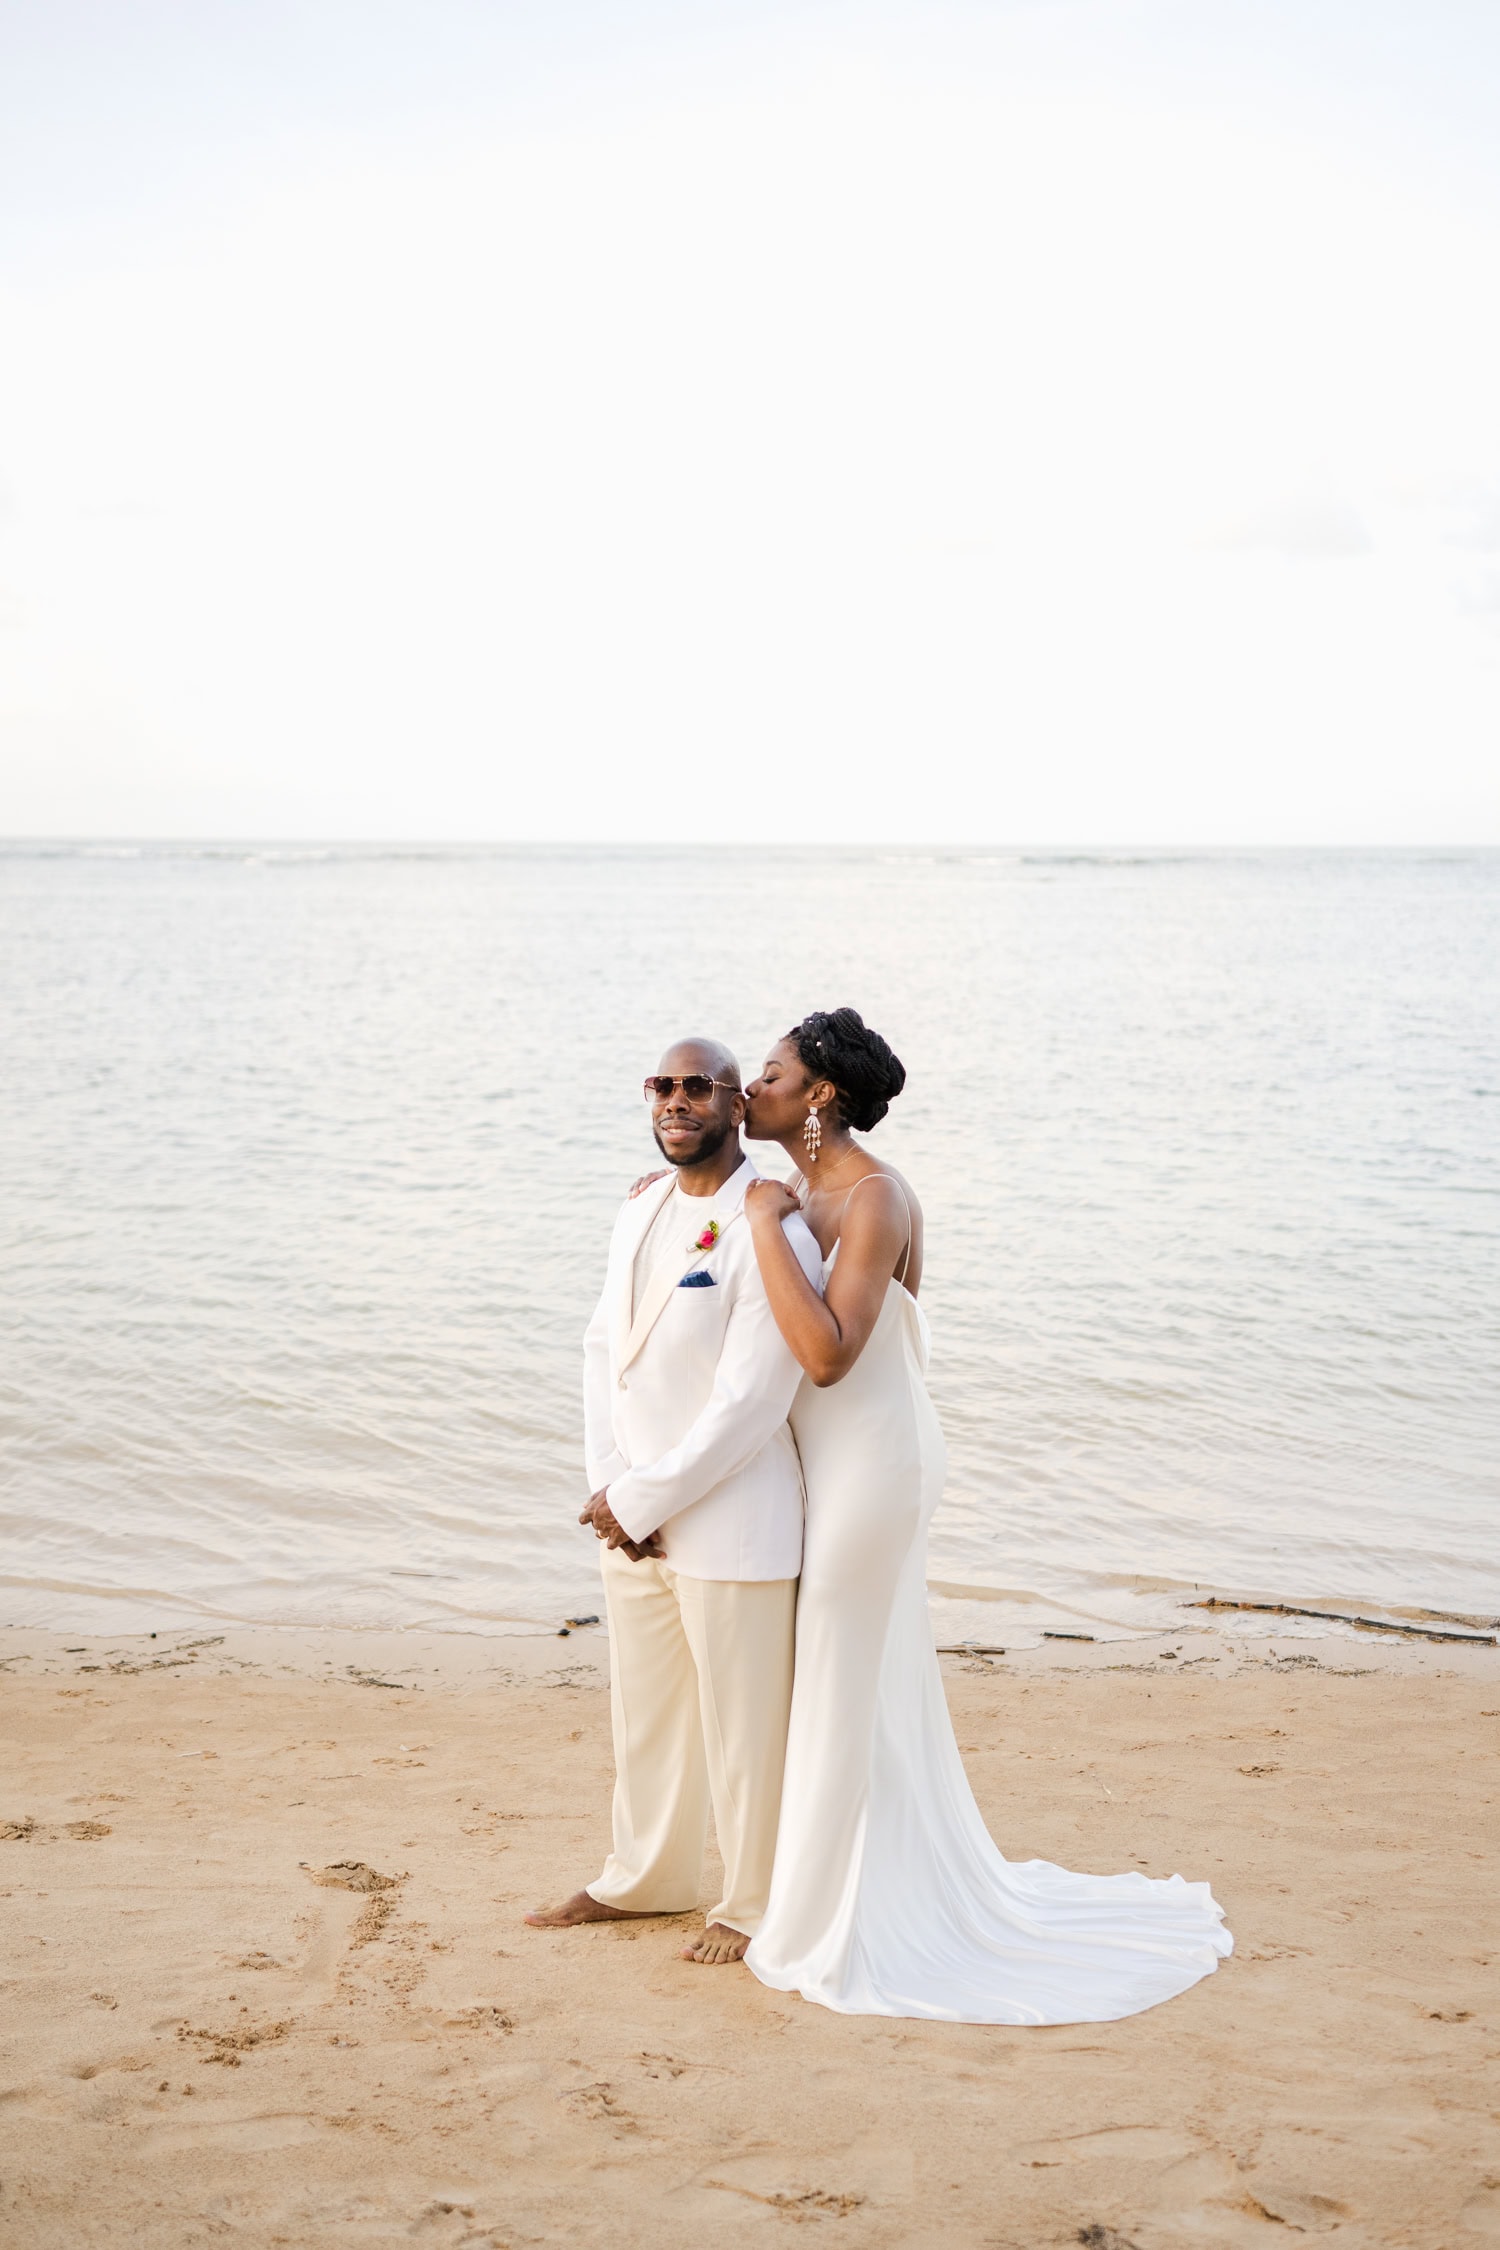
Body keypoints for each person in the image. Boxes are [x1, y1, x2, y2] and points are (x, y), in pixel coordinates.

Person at [738, 1005, 1233, 2022]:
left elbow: (830, 1356)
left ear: (820, 1094)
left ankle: (830, 1917)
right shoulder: (788, 1192)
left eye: (772, 1071)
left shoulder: (872, 1198)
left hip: (877, 1460)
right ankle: (838, 1887)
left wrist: (759, 1229)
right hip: (819, 1463)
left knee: (840, 1667)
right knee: (846, 1679)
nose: (754, 1086)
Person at [525, 1037, 823, 1967]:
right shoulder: (642, 1208)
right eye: (662, 1085)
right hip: (637, 1517)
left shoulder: (775, 1229)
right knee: (646, 1713)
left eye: (699, 1086)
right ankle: (647, 1879)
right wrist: (613, 1484)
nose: (676, 1100)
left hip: (732, 1517)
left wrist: (647, 1497)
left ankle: (750, 1900)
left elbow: (751, 1403)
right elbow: (598, 1350)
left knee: (743, 1729)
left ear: (738, 1108)